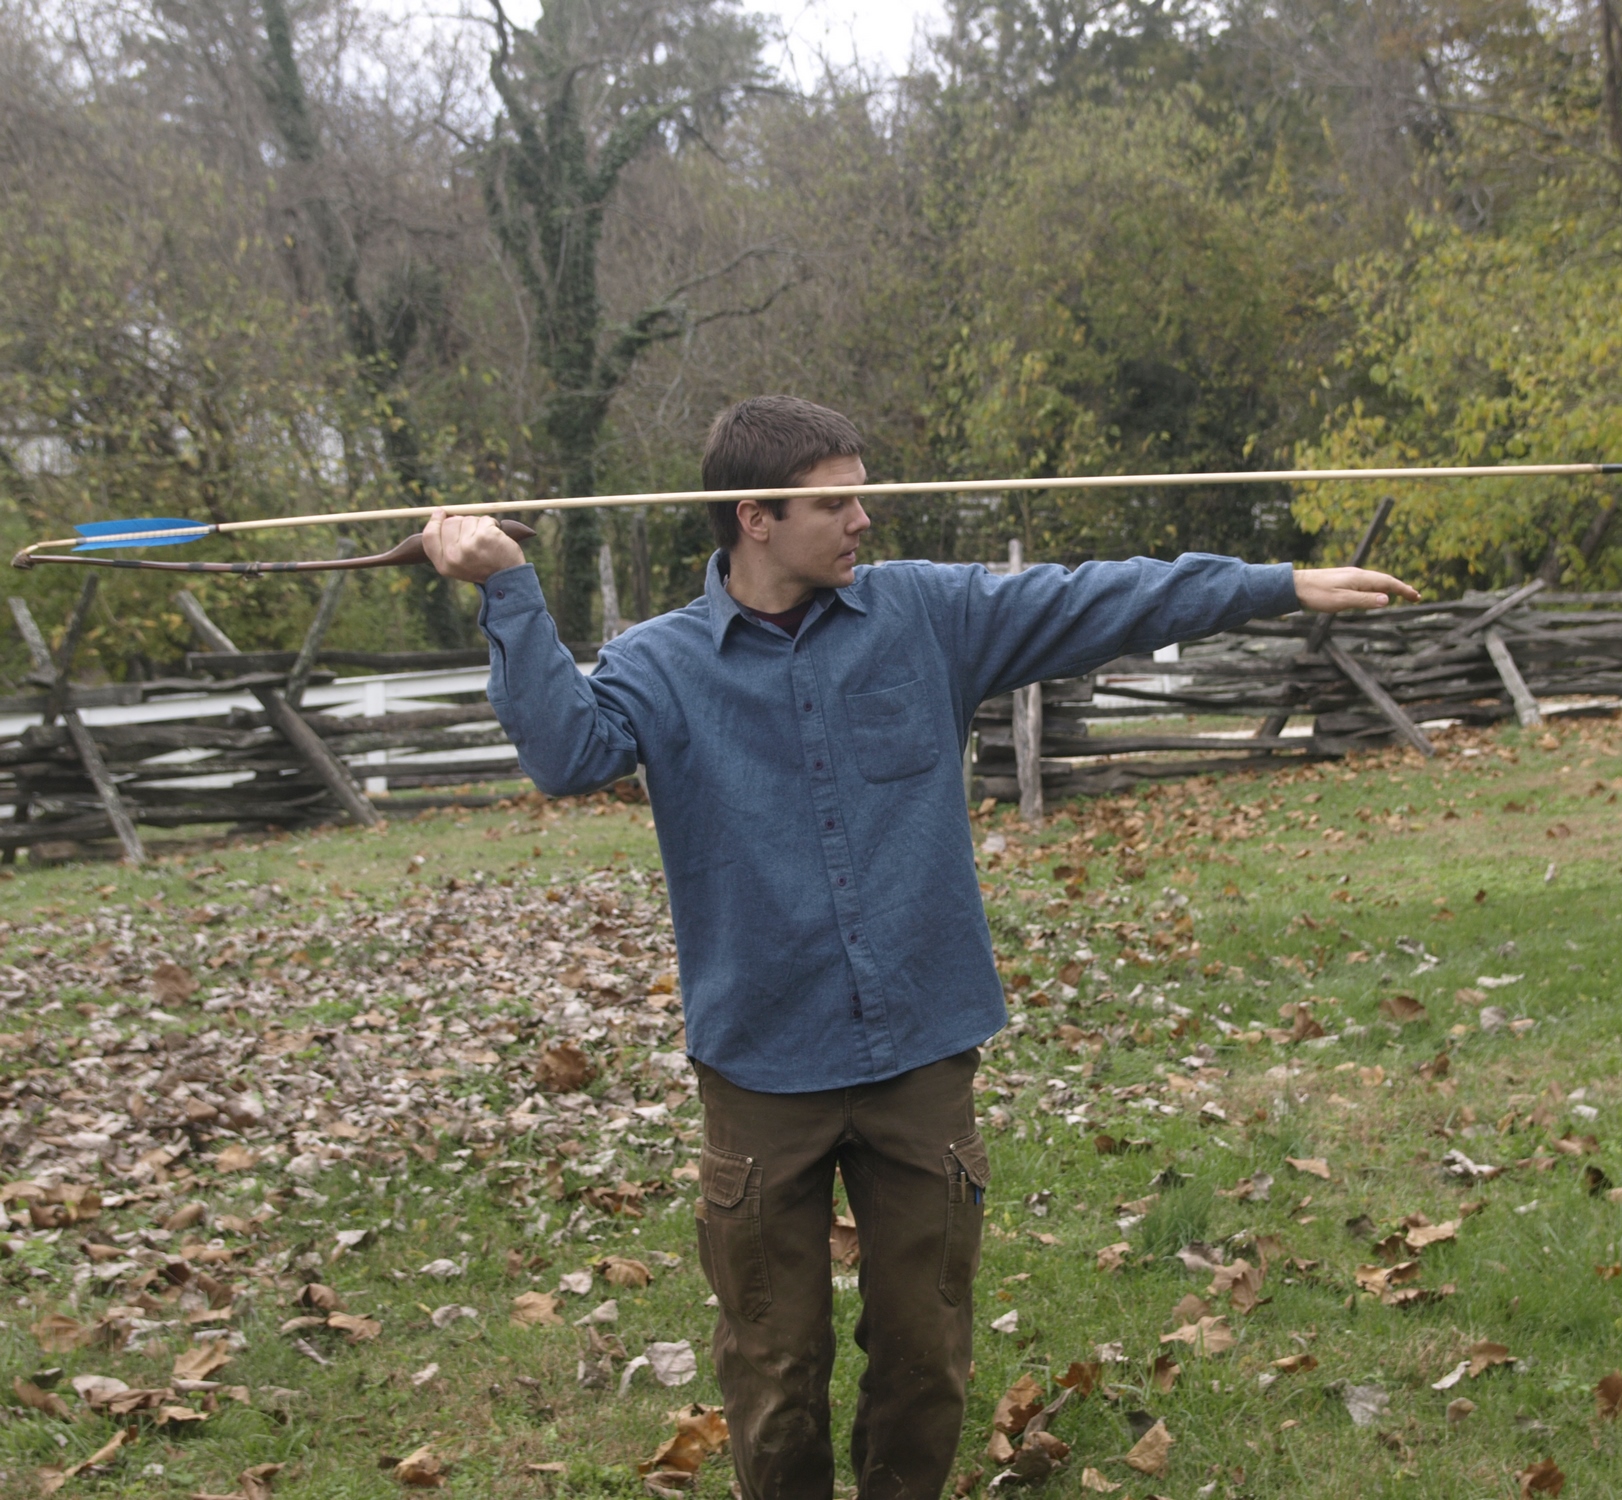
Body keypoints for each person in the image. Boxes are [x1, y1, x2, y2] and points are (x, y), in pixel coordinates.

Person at [423, 395, 1419, 1500]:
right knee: (774, 1369)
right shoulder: (660, 665)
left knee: (925, 1358)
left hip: (921, 1053)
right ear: (753, 517)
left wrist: (1273, 584)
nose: (863, 520)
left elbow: (1096, 596)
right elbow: (565, 753)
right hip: (762, 1065)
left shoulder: (928, 614)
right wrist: (506, 585)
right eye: (835, 503)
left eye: (864, 496)